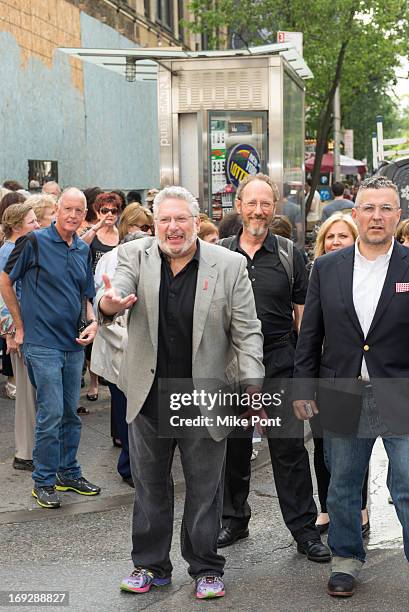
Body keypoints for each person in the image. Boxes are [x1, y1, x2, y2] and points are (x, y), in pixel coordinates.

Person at [97, 185, 264, 600]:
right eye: (164, 220)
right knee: (149, 488)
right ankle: (150, 565)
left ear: (195, 221)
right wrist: (109, 304)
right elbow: (113, 290)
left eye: (180, 219)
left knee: (205, 490)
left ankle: (206, 568)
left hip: (205, 398)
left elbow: (247, 331)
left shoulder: (228, 265)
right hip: (148, 395)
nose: (172, 228)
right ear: (155, 225)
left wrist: (253, 386)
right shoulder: (135, 256)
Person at [293, 176, 409, 598]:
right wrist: (303, 389)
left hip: (399, 391)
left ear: (398, 215)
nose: (377, 216)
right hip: (342, 389)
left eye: (386, 208)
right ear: (355, 213)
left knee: (408, 483)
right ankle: (345, 560)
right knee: (342, 483)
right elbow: (310, 335)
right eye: (369, 208)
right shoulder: (326, 267)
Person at [217, 173, 330, 563]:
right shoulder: (220, 253)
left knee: (289, 450)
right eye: (252, 203)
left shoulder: (289, 254)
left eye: (266, 204)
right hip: (232, 367)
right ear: (239, 206)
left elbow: (304, 319)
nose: (259, 211)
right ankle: (234, 518)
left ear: (274, 207)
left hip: (280, 362)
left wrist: (304, 375)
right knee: (232, 447)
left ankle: (303, 529)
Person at [0, 187, 101, 509]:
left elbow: (85, 294)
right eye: (67, 209)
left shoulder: (81, 249)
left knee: (70, 412)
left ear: (84, 215)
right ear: (57, 209)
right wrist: (20, 325)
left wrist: (92, 322)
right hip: (41, 343)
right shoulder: (34, 242)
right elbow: (4, 279)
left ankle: (68, 472)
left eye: (79, 211)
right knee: (52, 411)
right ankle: (43, 481)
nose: (73, 216)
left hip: (73, 344)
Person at [312, 213, 369, 535]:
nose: (335, 241)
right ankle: (326, 508)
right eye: (330, 237)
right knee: (323, 448)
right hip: (324, 376)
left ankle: (359, 507)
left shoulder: (365, 275)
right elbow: (307, 330)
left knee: (353, 450)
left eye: (342, 236)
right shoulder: (317, 274)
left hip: (359, 377)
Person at [0, 203, 40, 470]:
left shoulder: (17, 248)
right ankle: (25, 453)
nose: (37, 225)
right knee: (26, 394)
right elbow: (4, 295)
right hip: (18, 329)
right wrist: (10, 331)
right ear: (16, 225)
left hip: (24, 327)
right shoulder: (8, 251)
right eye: (32, 221)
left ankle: (29, 450)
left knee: (31, 394)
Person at [81, 192, 122, 402]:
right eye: (105, 210)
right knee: (94, 334)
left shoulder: (121, 234)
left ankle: (110, 372)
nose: (109, 214)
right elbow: (79, 247)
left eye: (113, 210)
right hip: (93, 289)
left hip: (115, 291)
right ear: (97, 211)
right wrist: (96, 226)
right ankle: (94, 382)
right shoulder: (92, 233)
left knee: (112, 333)